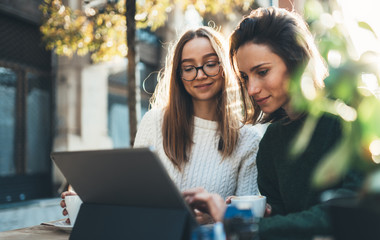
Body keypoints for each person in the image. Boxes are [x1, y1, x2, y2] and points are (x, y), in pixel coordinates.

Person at [183, 7, 363, 239]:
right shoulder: (271, 143)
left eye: (263, 71)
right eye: (245, 77)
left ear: (296, 61)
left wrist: (245, 225)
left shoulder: (348, 115)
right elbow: (285, 221)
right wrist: (265, 217)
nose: (251, 89)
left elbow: (348, 212)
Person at [60, 26, 262, 224]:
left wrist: (215, 218)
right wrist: (88, 207)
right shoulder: (155, 122)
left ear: (224, 67)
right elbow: (133, 196)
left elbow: (249, 222)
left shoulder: (248, 140)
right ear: (179, 75)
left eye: (210, 64)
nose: (200, 75)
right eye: (189, 68)